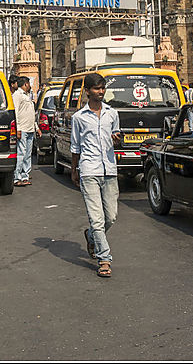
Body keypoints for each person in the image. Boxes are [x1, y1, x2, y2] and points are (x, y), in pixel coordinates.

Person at [70, 73, 121, 279]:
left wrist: (117, 140)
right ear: (88, 91)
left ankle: (91, 237)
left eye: (103, 88)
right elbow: (75, 146)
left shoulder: (112, 114)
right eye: (97, 88)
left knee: (111, 217)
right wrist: (74, 170)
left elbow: (117, 138)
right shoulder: (79, 118)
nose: (101, 91)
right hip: (89, 170)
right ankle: (104, 259)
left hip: (109, 169)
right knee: (97, 219)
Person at [12, 76, 41, 187]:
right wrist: (18, 129)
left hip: (29, 129)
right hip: (22, 129)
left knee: (27, 155)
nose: (30, 86)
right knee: (21, 153)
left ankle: (25, 176)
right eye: (29, 84)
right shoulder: (17, 96)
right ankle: (17, 177)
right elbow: (15, 113)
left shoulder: (28, 96)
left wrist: (36, 127)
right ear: (25, 84)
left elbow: (31, 114)